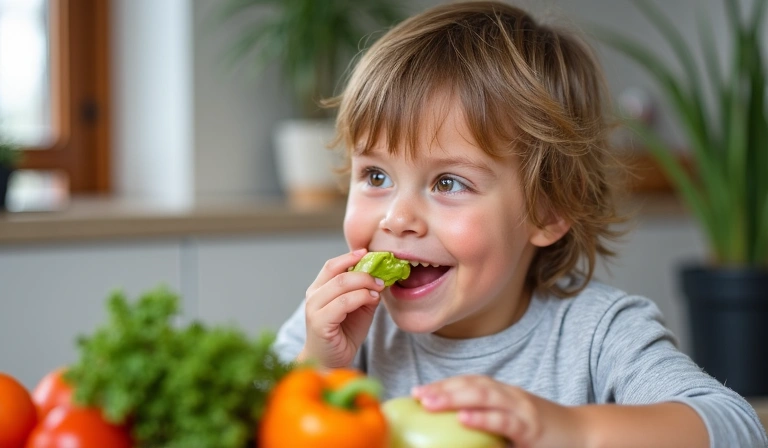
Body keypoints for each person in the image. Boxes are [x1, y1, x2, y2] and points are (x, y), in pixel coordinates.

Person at [273, 1, 768, 446]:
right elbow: (243, 422)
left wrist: (569, 428)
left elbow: (737, 428)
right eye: (375, 175)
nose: (397, 218)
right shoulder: (340, 328)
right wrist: (318, 368)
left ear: (548, 211)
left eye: (448, 183)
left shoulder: (598, 332)